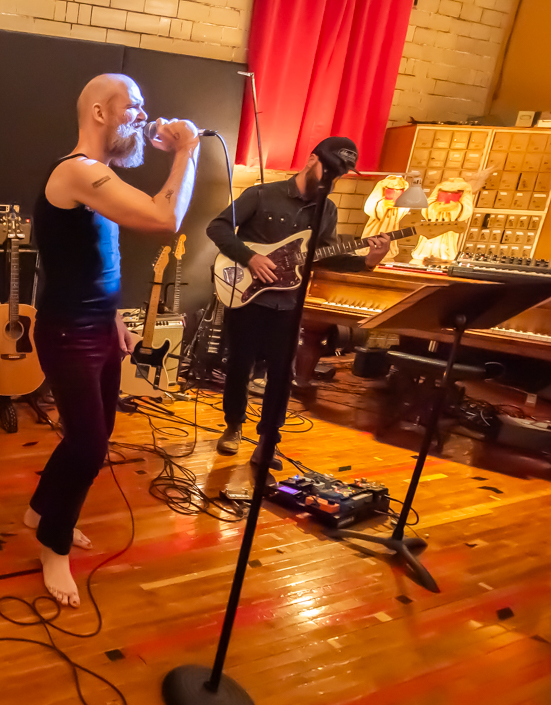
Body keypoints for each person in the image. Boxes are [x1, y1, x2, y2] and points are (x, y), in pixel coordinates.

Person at [28, 74, 200, 609]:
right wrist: (187, 150)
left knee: (93, 436)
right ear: (101, 112)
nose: (143, 116)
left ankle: (39, 511)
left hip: (98, 325)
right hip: (68, 331)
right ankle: (52, 545)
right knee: (88, 445)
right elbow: (165, 216)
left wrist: (114, 318)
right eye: (134, 106)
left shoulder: (96, 175)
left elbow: (97, 261)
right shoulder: (76, 171)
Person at [206, 137, 389, 466]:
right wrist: (250, 258)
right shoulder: (262, 195)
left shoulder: (327, 210)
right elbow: (217, 227)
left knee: (282, 373)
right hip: (246, 297)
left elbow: (325, 256)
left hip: (288, 303)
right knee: (239, 365)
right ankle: (233, 426)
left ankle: (268, 441)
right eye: (329, 170)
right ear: (311, 159)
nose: (333, 178)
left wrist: (367, 261)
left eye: (340, 173)